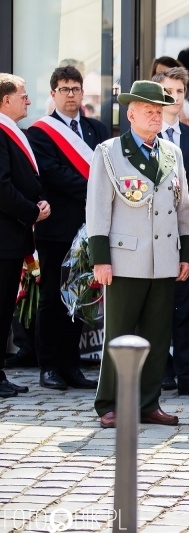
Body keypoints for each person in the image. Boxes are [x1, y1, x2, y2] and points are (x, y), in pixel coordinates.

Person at [86, 80, 189, 428]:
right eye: (148, 110)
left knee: (157, 335)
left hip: (163, 258)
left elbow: (183, 208)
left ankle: (148, 402)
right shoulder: (108, 152)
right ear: (130, 113)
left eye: (159, 110)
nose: (154, 115)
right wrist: (99, 259)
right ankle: (109, 403)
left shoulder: (171, 153)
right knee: (118, 332)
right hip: (124, 259)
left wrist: (185, 253)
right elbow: (98, 210)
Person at [27, 66, 110, 390]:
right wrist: (93, 188)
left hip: (89, 229)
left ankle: (71, 365)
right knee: (51, 298)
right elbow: (52, 173)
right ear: (53, 94)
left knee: (79, 296)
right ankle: (49, 366)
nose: (71, 94)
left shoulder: (97, 129)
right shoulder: (40, 133)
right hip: (56, 230)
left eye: (76, 88)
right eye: (64, 89)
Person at [151, 67, 189, 398]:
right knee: (158, 307)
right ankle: (160, 370)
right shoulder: (147, 137)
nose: (174, 97)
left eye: (179, 91)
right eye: (168, 90)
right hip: (154, 237)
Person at [0, 73, 48, 398]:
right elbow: (2, 187)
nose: (28, 101)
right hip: (4, 239)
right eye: (23, 95)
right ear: (5, 100)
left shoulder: (10, 131)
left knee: (4, 309)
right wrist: (32, 211)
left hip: (12, 238)